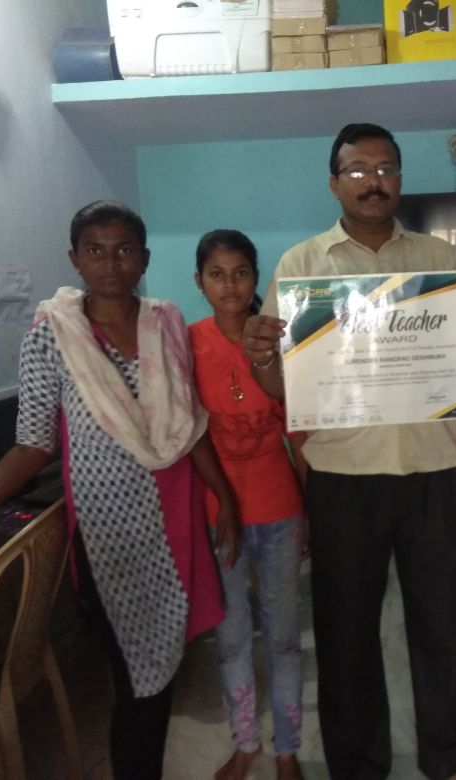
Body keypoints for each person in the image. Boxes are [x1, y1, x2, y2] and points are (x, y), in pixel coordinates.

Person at [0, 200, 238, 780]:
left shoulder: (166, 321)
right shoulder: (51, 336)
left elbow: (189, 419)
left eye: (124, 250)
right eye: (95, 250)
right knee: (139, 682)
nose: (111, 263)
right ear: (75, 259)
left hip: (174, 518)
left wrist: (223, 495)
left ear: (145, 258)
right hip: (109, 535)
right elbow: (32, 446)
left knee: (161, 675)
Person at [240, 123, 456, 780]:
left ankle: (447, 754)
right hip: (344, 475)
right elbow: (283, 387)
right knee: (345, 631)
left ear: (400, 177)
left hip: (435, 469)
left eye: (385, 168)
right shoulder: (301, 266)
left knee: (443, 626)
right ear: (334, 182)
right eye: (357, 169)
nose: (372, 181)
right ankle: (356, 764)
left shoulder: (441, 258)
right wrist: (260, 359)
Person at [188, 229, 306, 780]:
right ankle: (245, 742)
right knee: (232, 637)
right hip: (218, 513)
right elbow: (188, 432)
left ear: (256, 278)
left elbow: (297, 431)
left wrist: (311, 510)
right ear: (199, 282)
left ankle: (287, 748)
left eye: (240, 273)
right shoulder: (186, 344)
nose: (230, 285)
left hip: (280, 508)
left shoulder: (276, 339)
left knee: (282, 637)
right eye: (217, 275)